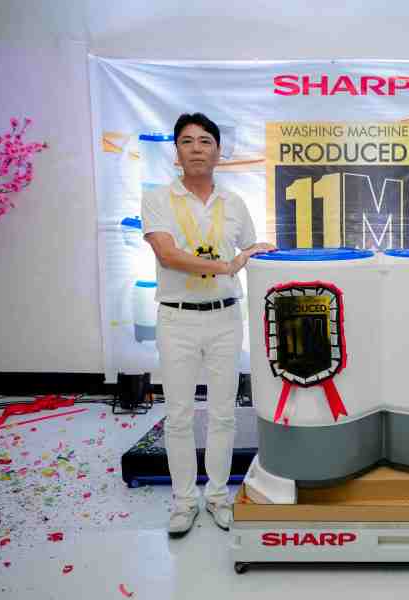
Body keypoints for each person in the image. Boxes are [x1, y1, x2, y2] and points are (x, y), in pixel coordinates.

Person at [142, 112, 274, 537]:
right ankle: (183, 502)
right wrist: (227, 265)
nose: (196, 148)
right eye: (187, 141)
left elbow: (251, 251)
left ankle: (217, 496)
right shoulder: (158, 198)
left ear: (218, 152)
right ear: (176, 152)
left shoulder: (233, 203)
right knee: (179, 415)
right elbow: (167, 255)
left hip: (225, 317)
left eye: (205, 141)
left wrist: (264, 254)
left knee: (223, 414)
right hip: (177, 318)